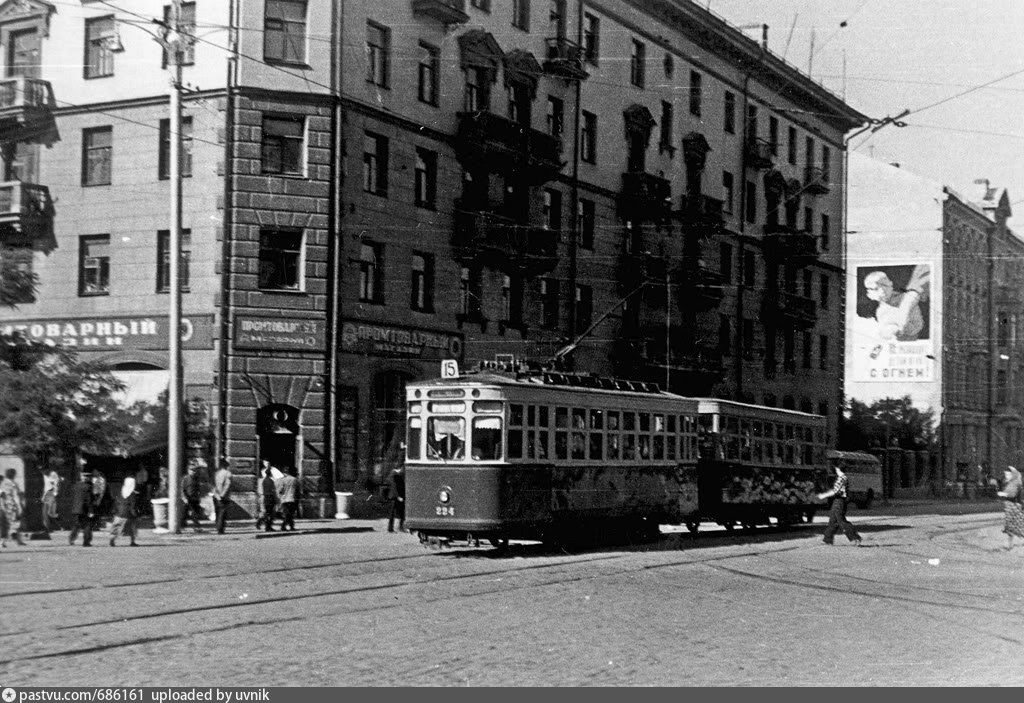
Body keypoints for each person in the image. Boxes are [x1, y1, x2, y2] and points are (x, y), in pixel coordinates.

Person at [863, 269, 928, 342]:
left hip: (915, 336)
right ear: (869, 294)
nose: (882, 290)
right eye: (876, 289)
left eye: (885, 285)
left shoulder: (904, 298)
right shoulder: (880, 311)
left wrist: (896, 326)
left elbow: (916, 325)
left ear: (891, 284)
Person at [817, 463, 863, 547]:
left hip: (839, 501)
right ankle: (827, 539)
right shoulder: (842, 478)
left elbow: (835, 491)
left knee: (841, 521)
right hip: (838, 501)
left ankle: (855, 538)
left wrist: (824, 495)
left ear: (838, 469)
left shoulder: (842, 478)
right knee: (833, 520)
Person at [996, 466, 1024, 550]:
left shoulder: (1016, 482)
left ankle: (1011, 545)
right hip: (1010, 506)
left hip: (1015, 506)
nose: (1006, 476)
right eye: (1006, 474)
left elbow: (1013, 494)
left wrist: (1003, 494)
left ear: (1013, 475)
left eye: (1008, 474)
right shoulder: (1010, 482)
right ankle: (1010, 545)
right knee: (1011, 527)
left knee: (1017, 526)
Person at [108, 476, 139, 547]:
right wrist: (134, 513)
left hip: (119, 512)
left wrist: (115, 511)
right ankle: (132, 541)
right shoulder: (132, 494)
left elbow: (116, 501)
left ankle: (112, 540)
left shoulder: (120, 491)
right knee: (132, 527)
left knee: (116, 527)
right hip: (128, 513)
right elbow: (132, 505)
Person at [68, 472, 96, 546]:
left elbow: (73, 497)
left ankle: (71, 539)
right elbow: (89, 500)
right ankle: (86, 542)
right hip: (84, 509)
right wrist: (91, 510)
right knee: (87, 525)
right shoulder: (89, 486)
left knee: (76, 525)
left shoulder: (76, 485)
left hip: (75, 509)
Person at [0, 468, 25, 547]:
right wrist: (21, 505)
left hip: (4, 506)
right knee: (15, 523)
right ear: (13, 474)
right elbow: (16, 495)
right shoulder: (13, 484)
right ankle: (15, 538)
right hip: (12, 506)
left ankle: (6, 541)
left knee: (6, 524)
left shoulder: (2, 483)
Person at [181, 462, 204, 531]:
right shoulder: (185, 478)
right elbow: (182, 489)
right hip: (188, 498)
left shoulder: (196, 478)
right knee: (185, 513)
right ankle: (183, 526)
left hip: (195, 498)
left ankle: (196, 526)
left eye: (194, 470)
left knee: (194, 513)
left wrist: (199, 496)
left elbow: (198, 488)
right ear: (188, 470)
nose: (193, 472)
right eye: (192, 470)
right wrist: (184, 498)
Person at [212, 458, 233, 535]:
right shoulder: (228, 473)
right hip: (224, 497)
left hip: (216, 496)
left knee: (217, 512)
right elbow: (227, 485)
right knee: (222, 513)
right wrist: (222, 495)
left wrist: (216, 494)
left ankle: (217, 527)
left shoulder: (216, 473)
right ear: (226, 466)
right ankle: (220, 529)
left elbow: (213, 485)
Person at [277, 467, 298, 532]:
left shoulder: (282, 480)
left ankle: (289, 526)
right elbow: (297, 490)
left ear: (286, 473)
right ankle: (285, 526)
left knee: (287, 514)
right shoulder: (295, 479)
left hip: (284, 499)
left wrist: (280, 496)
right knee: (290, 514)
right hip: (292, 499)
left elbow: (280, 490)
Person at [41, 467, 61, 534]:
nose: (42, 472)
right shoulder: (44, 475)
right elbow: (46, 486)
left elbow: (56, 484)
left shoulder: (53, 474)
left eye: (43, 470)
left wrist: (55, 494)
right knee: (45, 512)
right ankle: (48, 528)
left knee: (49, 512)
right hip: (46, 494)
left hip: (50, 493)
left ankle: (52, 526)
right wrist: (44, 495)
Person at [387, 464, 405, 533]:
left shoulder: (396, 475)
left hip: (396, 497)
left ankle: (399, 527)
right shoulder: (393, 475)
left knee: (400, 513)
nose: (402, 470)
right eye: (401, 469)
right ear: (399, 468)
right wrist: (398, 496)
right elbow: (394, 487)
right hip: (394, 497)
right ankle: (391, 528)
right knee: (393, 513)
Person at [260, 465, 278, 532]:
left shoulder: (264, 480)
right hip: (270, 498)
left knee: (267, 513)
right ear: (270, 473)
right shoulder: (271, 481)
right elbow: (273, 490)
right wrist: (276, 499)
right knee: (271, 513)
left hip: (266, 498)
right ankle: (268, 526)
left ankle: (266, 526)